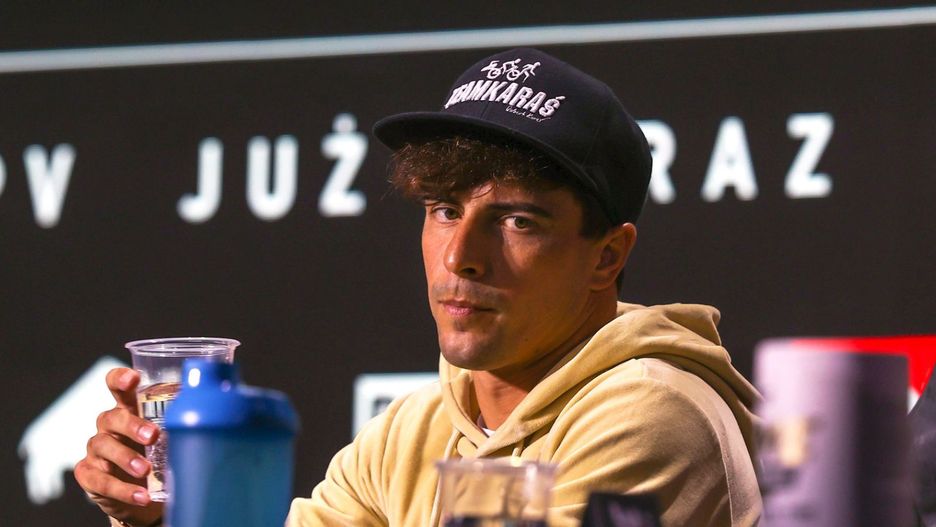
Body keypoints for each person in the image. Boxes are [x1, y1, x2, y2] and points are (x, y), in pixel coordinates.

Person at [75, 48, 762, 526]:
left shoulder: (651, 414)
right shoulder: (412, 431)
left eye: (517, 220)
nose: (460, 256)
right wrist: (167, 515)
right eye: (444, 210)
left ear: (606, 257)